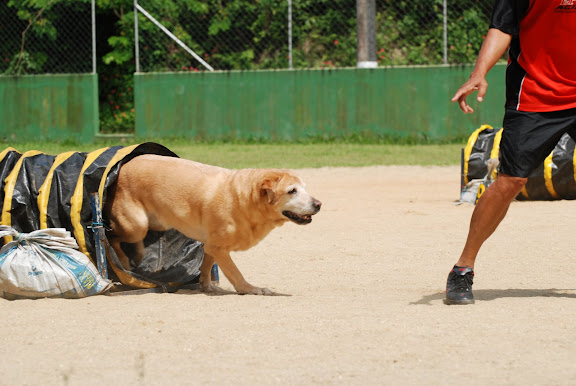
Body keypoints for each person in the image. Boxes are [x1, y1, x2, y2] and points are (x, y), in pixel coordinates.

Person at [445, 0, 576, 305]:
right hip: (535, 96)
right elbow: (502, 28)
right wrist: (480, 71)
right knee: (510, 181)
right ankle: (462, 269)